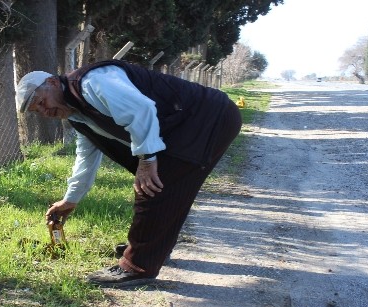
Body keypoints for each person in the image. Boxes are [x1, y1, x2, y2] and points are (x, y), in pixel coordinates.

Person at [15, 60, 242, 288]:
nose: (45, 112)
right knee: (164, 185)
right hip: (194, 123)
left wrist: (147, 160)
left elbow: (141, 110)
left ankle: (136, 266)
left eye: (42, 102)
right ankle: (151, 249)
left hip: (209, 117)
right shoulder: (78, 116)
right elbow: (86, 158)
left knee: (153, 187)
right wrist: (70, 199)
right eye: (38, 111)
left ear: (53, 82)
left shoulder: (92, 83)